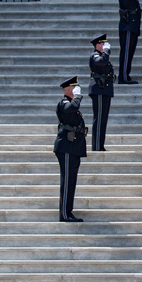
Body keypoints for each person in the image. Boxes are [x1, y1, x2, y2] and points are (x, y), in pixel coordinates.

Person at [54, 76, 87, 223]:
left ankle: (69, 211)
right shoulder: (64, 103)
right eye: (74, 88)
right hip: (66, 147)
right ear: (68, 89)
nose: (76, 90)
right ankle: (64, 214)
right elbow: (72, 108)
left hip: (74, 146)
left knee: (71, 181)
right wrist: (78, 96)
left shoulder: (71, 103)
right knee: (67, 181)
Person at [88, 33, 114, 152]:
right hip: (98, 89)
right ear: (97, 45)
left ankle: (100, 145)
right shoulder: (95, 55)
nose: (104, 45)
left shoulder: (103, 55)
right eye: (102, 43)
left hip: (105, 89)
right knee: (98, 118)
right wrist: (106, 52)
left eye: (104, 43)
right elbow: (101, 62)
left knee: (103, 119)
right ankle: (96, 146)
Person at [117, 0, 142, 84]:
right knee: (127, 52)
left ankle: (126, 75)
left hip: (132, 26)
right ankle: (123, 77)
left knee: (130, 52)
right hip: (127, 26)